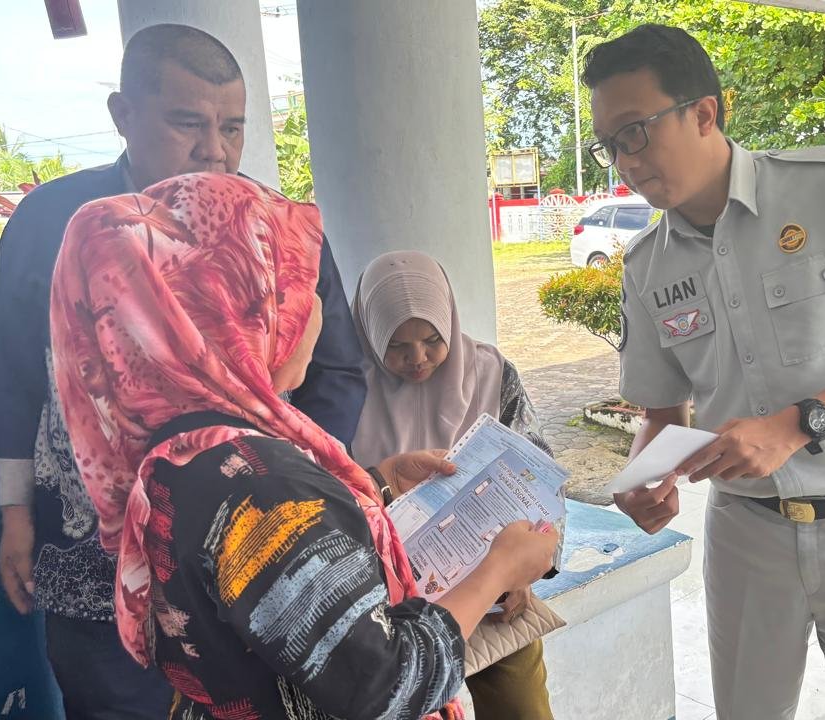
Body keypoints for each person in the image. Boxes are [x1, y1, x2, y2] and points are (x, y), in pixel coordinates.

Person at [48, 171, 558, 720]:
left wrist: (380, 481)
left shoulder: (181, 453)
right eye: (294, 285)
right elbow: (386, 684)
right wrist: (498, 569)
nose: (315, 310)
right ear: (239, 310)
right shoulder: (263, 484)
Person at [0, 24, 366, 718]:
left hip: (247, 546)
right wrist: (14, 512)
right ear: (123, 115)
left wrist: (289, 492)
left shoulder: (276, 227)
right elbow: (16, 374)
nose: (214, 150)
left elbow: (338, 371)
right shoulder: (56, 224)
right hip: (95, 554)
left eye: (233, 127)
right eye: (188, 123)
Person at [583, 25, 825, 720]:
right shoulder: (645, 266)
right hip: (747, 534)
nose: (624, 162)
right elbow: (663, 414)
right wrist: (643, 479)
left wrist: (794, 426)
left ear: (704, 112)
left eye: (635, 132)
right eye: (609, 145)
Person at [351, 251, 554, 720]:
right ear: (369, 335)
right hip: (385, 601)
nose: (417, 358)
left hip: (493, 588)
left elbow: (538, 474)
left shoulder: (491, 373)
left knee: (521, 705)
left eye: (432, 339)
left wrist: (523, 573)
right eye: (397, 345)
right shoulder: (343, 389)